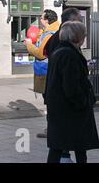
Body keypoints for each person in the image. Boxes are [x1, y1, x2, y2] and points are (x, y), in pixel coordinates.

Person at [45, 21, 99, 163]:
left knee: (58, 147)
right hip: (71, 111)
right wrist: (83, 102)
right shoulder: (69, 55)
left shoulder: (59, 52)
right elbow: (71, 86)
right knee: (79, 147)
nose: (85, 37)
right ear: (77, 37)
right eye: (84, 35)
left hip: (60, 110)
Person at [24, 9, 60, 139]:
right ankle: (53, 129)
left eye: (41, 18)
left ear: (47, 20)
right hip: (50, 70)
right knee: (52, 102)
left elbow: (40, 53)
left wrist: (29, 45)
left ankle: (52, 130)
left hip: (46, 71)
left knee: (50, 102)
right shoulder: (54, 30)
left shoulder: (49, 33)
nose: (40, 20)